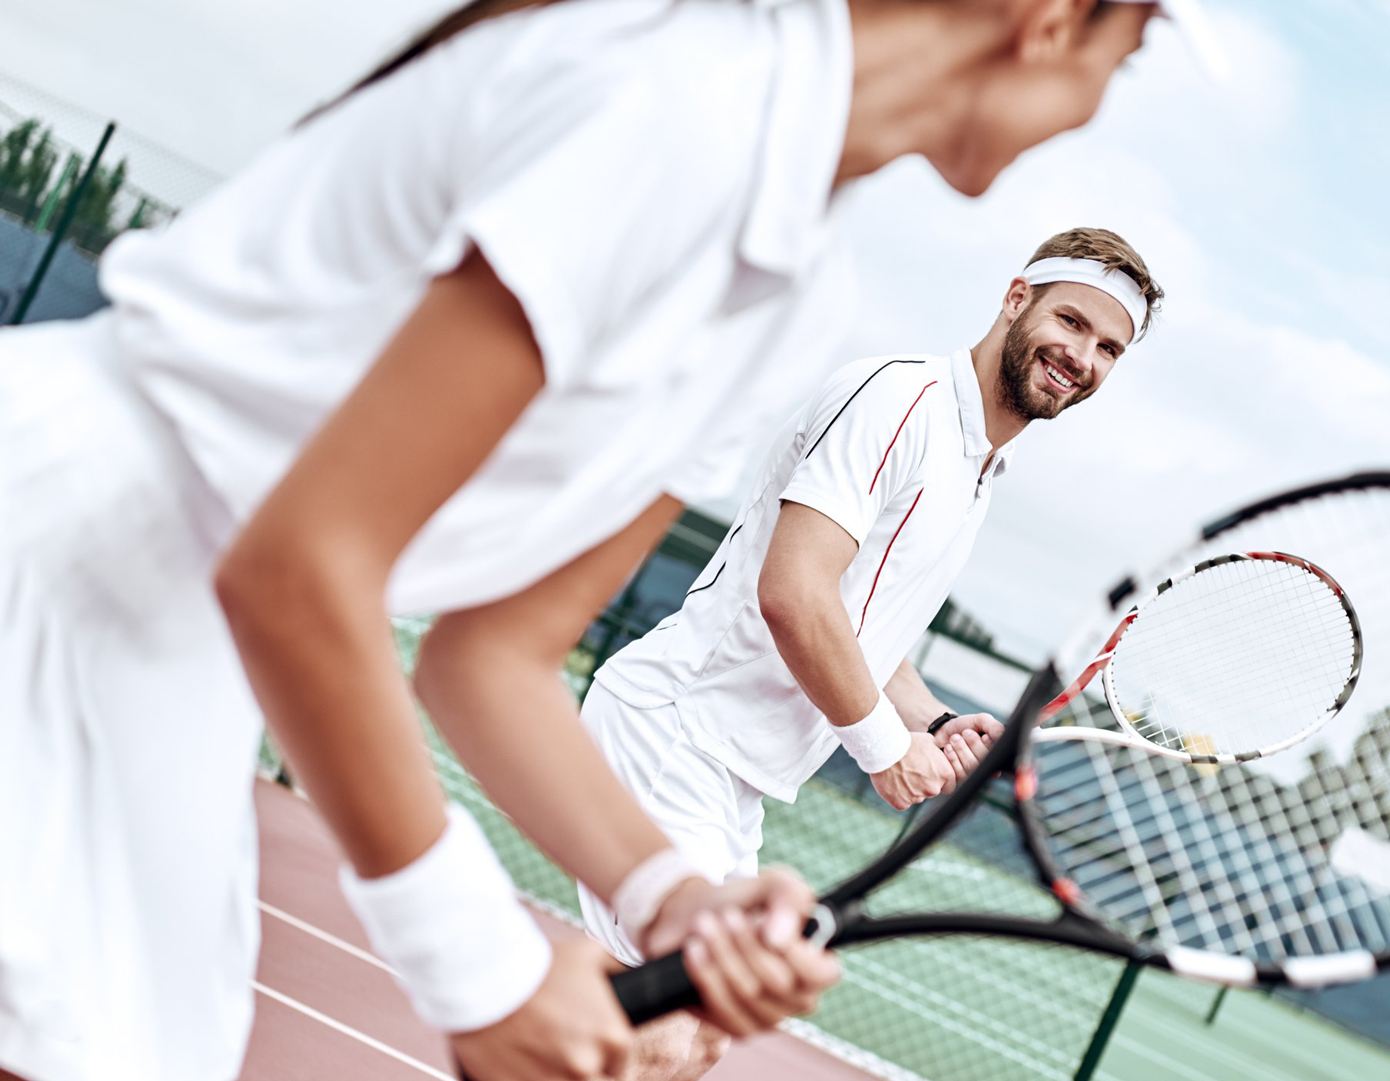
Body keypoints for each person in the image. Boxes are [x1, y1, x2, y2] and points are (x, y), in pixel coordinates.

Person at [0, 2, 1222, 1079]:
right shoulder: (684, 108)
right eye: (1134, 48)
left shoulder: (790, 290)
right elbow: (297, 560)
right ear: (1053, 21)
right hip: (57, 549)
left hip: (166, 631)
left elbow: (487, 657)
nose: (1097, 112)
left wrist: (676, 902)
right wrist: (479, 973)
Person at [575, 227, 1164, 1077]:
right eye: (1072, 322)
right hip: (674, 734)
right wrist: (887, 749)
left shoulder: (978, 467)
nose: (1083, 356)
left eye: (1109, 347)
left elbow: (863, 625)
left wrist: (934, 717)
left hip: (732, 771)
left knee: (694, 1033)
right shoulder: (902, 403)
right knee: (666, 1029)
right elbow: (796, 592)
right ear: (1015, 298)